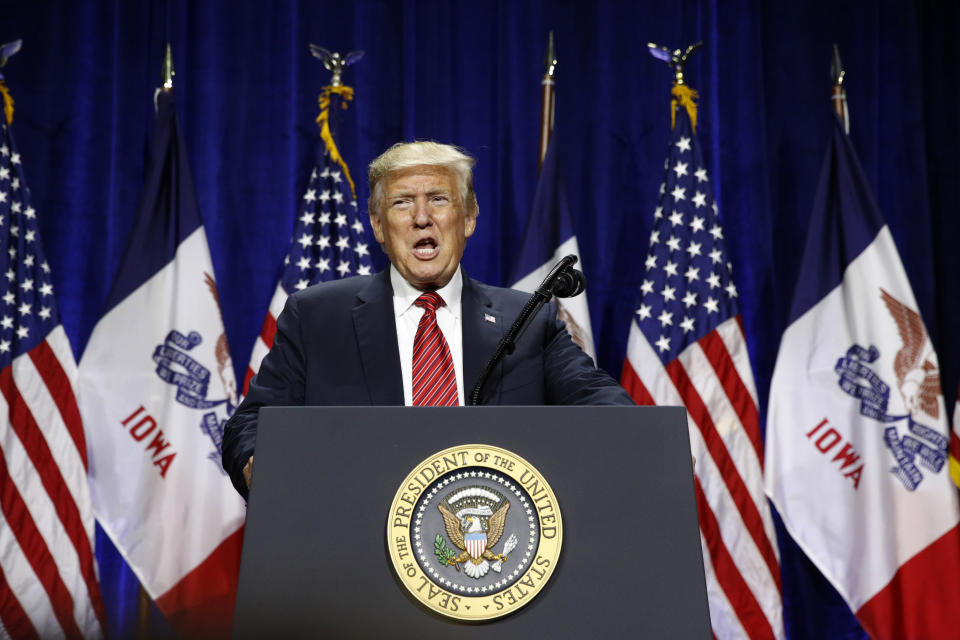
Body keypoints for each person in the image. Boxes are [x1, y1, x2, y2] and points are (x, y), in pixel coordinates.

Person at [222, 141, 633, 499]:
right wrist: (259, 464)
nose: (422, 217)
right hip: (356, 547)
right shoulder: (316, 317)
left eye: (439, 198)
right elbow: (253, 422)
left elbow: (597, 401)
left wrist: (644, 443)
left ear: (469, 218)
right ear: (378, 225)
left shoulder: (525, 319)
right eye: (402, 202)